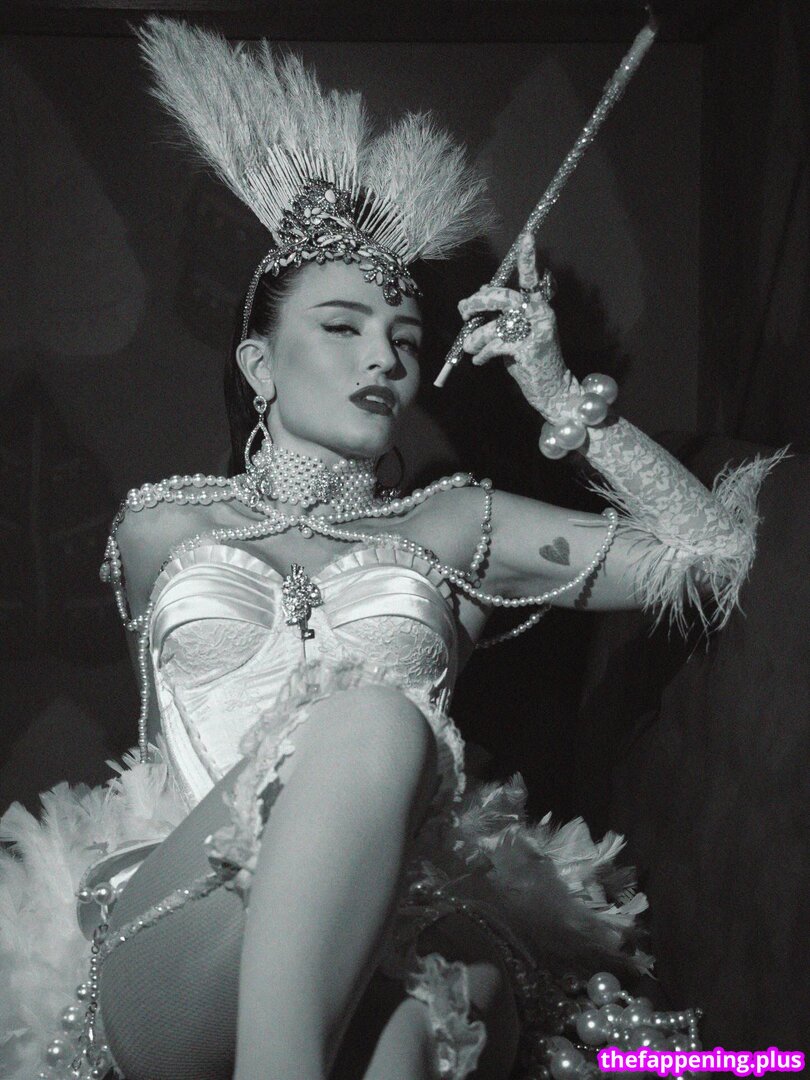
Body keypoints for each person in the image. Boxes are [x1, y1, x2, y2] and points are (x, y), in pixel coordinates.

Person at [0, 18, 784, 1080]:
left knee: (409, 1030)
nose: (384, 358)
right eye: (343, 327)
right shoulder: (163, 527)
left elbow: (709, 554)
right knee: (366, 714)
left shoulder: (454, 527)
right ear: (259, 365)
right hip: (191, 934)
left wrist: (561, 393)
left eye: (406, 340)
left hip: (413, 931)